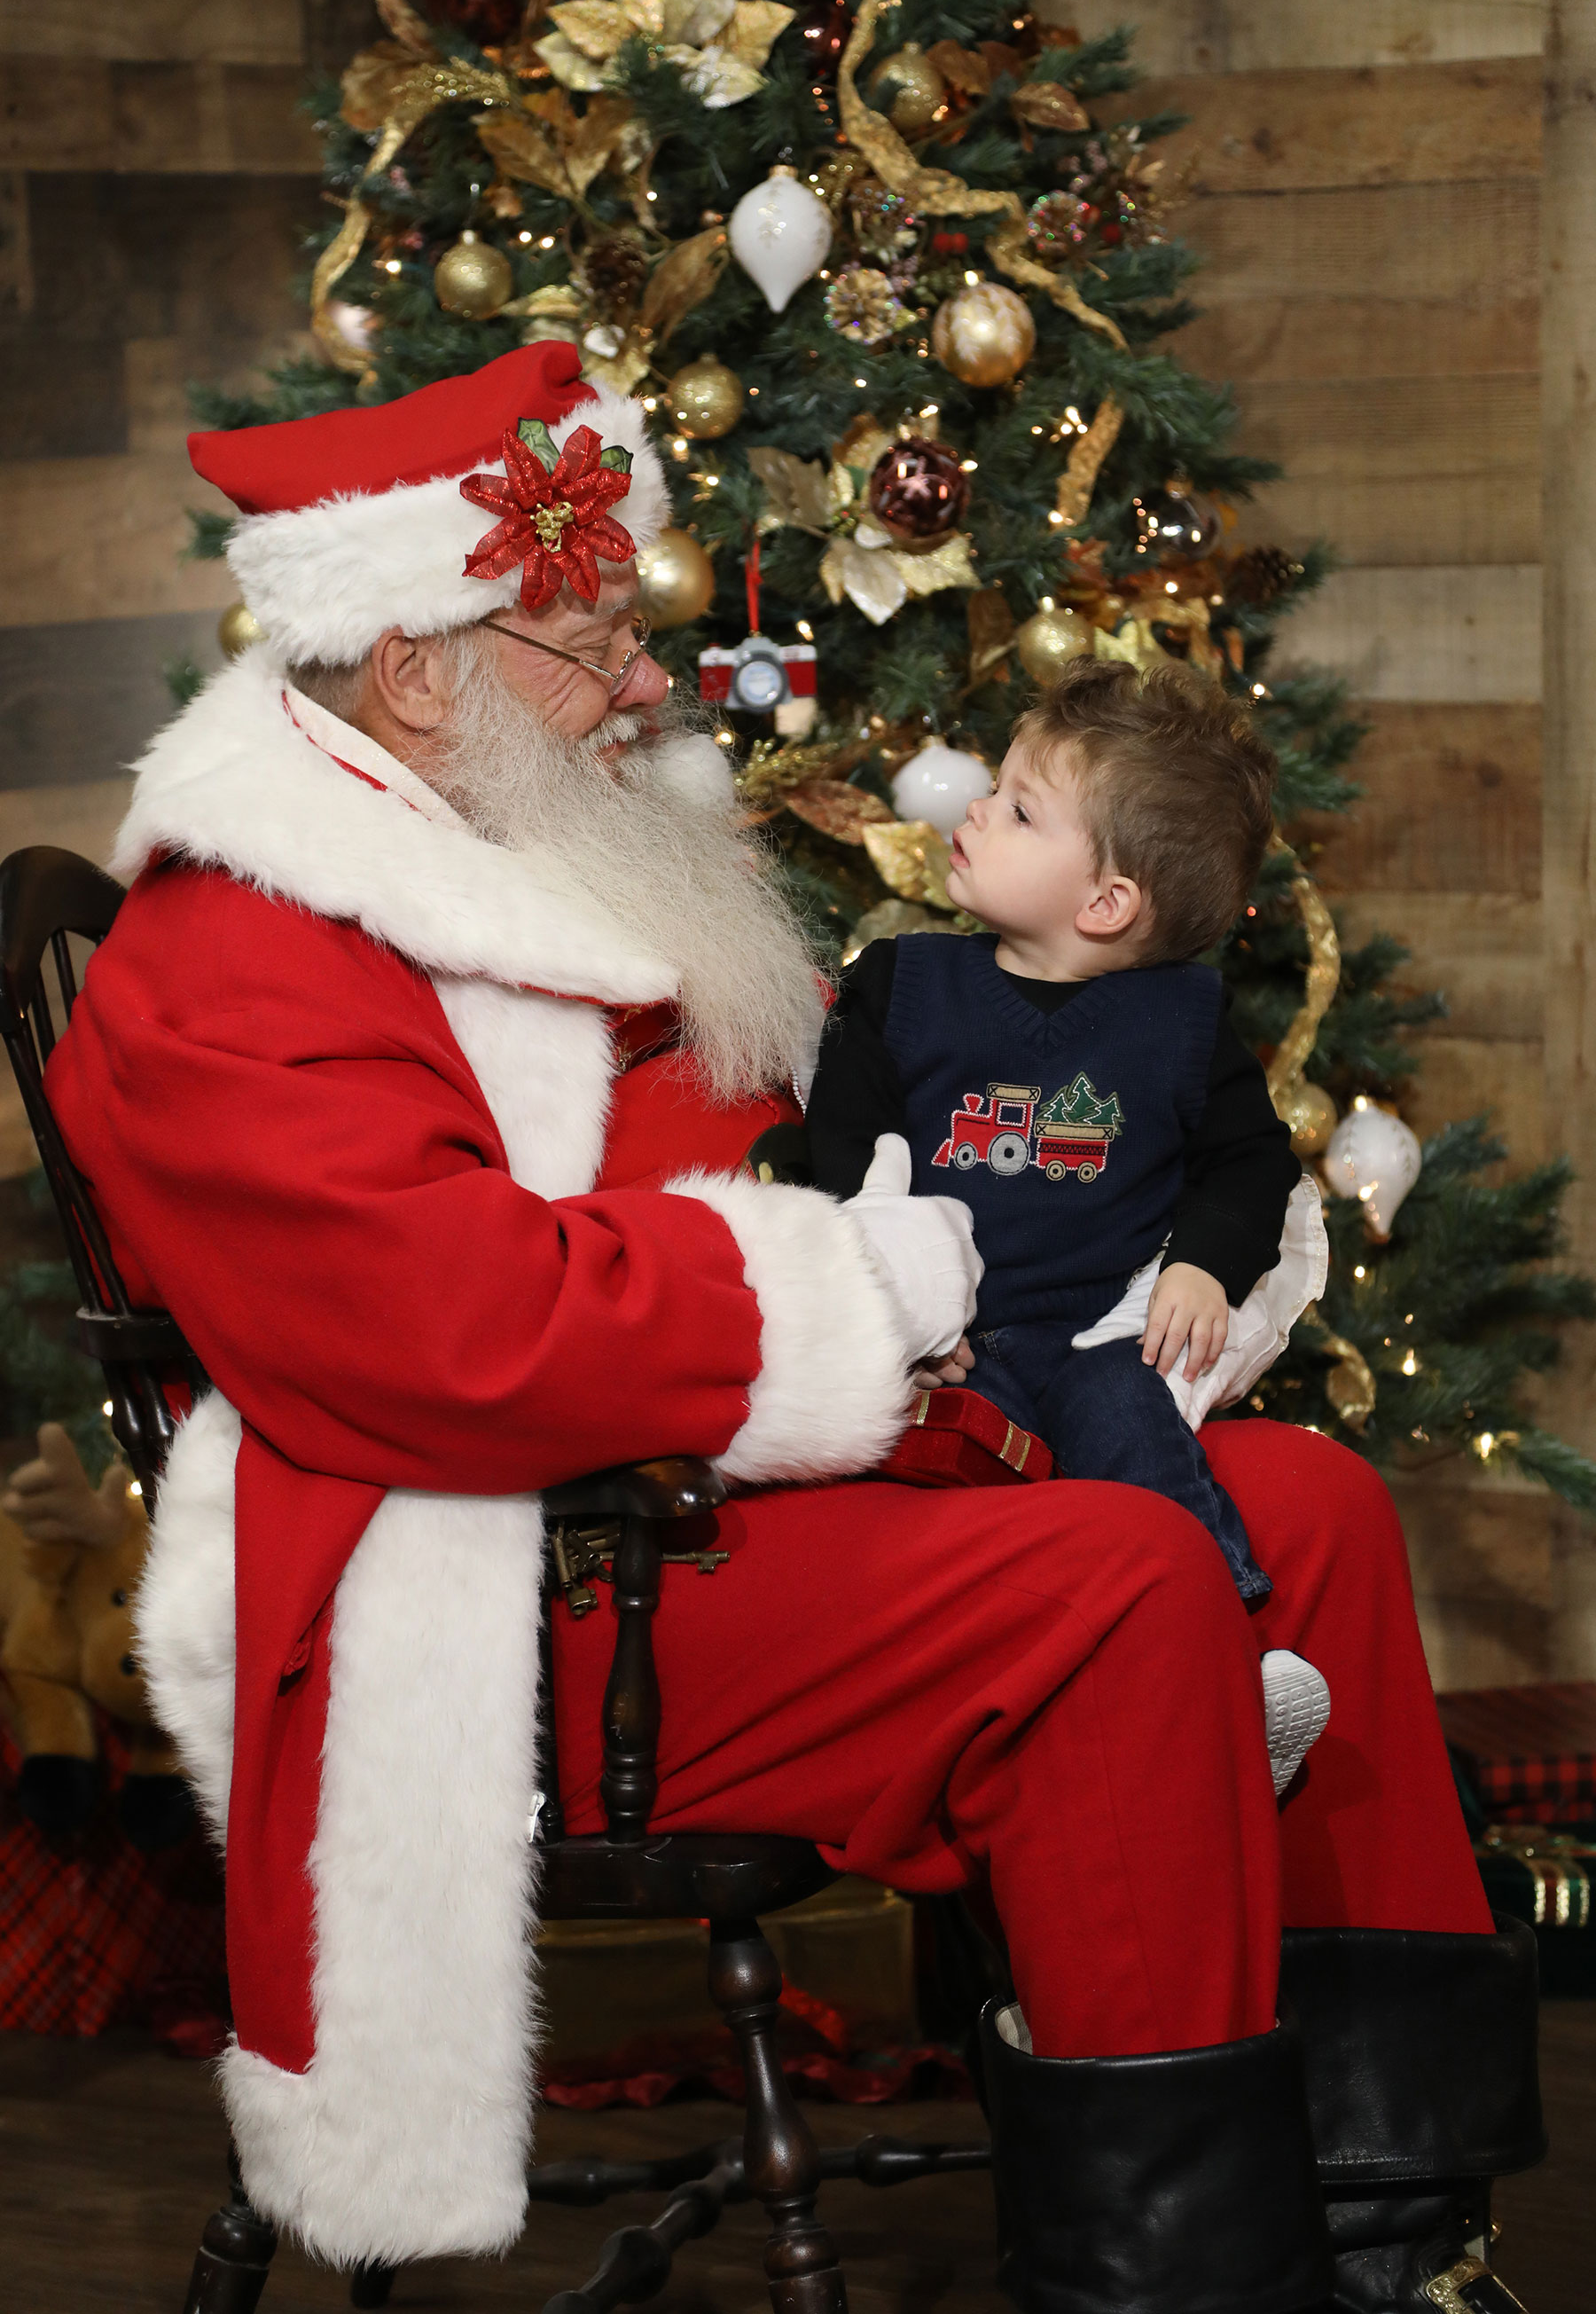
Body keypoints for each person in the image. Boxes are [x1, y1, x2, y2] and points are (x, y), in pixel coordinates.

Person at [43, 342, 1541, 2314]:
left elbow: (763, 1159)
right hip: (530, 1587)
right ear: (421, 671)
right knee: (1112, 1588)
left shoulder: (513, 829)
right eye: (595, 643)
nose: (651, 683)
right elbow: (465, 1338)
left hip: (727, 1478)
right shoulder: (240, 951)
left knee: (1314, 1514)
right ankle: (1181, 2277)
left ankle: (1381, 2225)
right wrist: (858, 1288)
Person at [804, 660, 1332, 1789]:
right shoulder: (902, 986)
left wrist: (1201, 1262)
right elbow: (843, 1157)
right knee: (949, 1466)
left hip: (1095, 1333)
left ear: (1107, 904)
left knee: (1134, 1434)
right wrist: (890, 1304)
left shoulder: (1178, 1025)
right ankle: (998, 1689)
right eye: (994, 787)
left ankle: (1226, 1668)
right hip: (957, 1339)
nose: (974, 811)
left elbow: (1251, 1166)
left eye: (1020, 808)